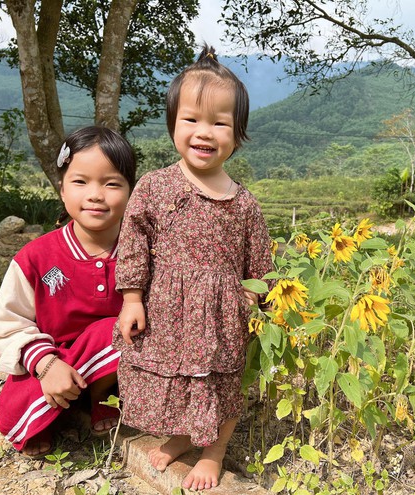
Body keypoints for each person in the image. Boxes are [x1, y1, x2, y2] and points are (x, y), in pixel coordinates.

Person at [114, 44, 272, 491]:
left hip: (222, 316)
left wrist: (250, 301)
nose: (205, 132)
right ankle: (183, 434)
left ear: (237, 134)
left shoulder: (244, 205)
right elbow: (133, 243)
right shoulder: (155, 187)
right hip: (165, 305)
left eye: (220, 123)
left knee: (218, 382)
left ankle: (213, 452)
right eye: (192, 120)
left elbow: (260, 264)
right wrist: (130, 298)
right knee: (178, 378)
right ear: (173, 125)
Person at [0, 126, 137, 457]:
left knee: (114, 330)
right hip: (57, 361)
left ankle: (101, 396)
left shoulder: (141, 254)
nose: (95, 194)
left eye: (111, 183)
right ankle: (59, 404)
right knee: (11, 413)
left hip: (120, 367)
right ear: (62, 190)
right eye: (80, 182)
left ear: (130, 192)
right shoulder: (36, 258)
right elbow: (6, 325)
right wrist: (45, 364)